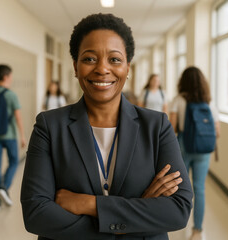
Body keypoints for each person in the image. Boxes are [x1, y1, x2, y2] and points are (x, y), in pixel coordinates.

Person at [21, 13, 192, 240]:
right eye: (90, 59)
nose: (102, 69)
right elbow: (36, 214)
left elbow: (178, 211)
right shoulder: (49, 127)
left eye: (114, 59)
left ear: (127, 68)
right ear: (75, 66)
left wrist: (89, 204)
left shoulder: (157, 127)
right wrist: (138, 213)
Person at [169, 66, 220, 240]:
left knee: (181, 187)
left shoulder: (178, 100)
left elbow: (172, 127)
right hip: (204, 150)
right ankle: (197, 231)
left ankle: (177, 221)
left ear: (183, 81)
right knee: (200, 189)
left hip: (184, 146)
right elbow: (217, 131)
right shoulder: (209, 102)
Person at [0, 64, 26, 211]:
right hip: (9, 135)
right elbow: (18, 118)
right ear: (5, 77)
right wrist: (22, 136)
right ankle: (4, 187)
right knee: (14, 161)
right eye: (10, 76)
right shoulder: (10, 95)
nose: (11, 78)